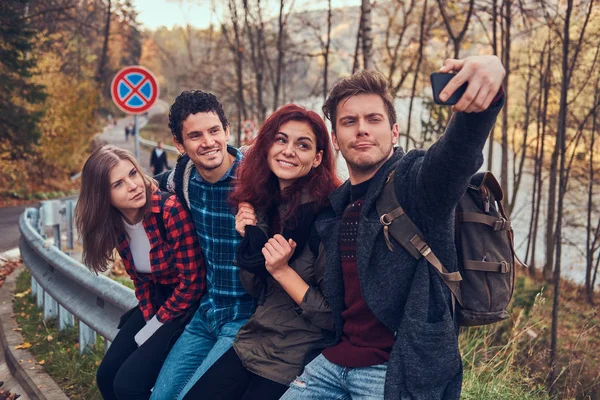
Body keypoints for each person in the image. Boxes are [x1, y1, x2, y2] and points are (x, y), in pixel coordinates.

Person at [280, 55, 506, 400]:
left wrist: (486, 93)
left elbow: (456, 156)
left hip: (396, 370)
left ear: (394, 131)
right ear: (336, 140)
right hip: (331, 363)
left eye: (374, 119)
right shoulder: (337, 205)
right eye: (349, 122)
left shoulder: (415, 185)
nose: (362, 129)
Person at [181, 104, 341, 399]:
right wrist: (250, 237)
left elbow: (334, 317)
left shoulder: (328, 218)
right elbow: (256, 289)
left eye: (302, 145)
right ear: (266, 147)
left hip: (298, 355)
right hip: (254, 341)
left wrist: (282, 271)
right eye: (281, 140)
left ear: (318, 158)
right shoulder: (266, 206)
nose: (288, 151)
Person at [74, 145, 205, 400]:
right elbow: (139, 280)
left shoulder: (169, 210)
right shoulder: (115, 224)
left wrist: (156, 323)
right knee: (106, 376)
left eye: (133, 174)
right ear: (103, 197)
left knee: (129, 385)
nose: (133, 186)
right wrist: (147, 316)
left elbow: (193, 283)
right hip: (157, 300)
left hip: (188, 305)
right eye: (118, 184)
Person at [150, 91, 255, 400]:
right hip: (207, 312)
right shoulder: (183, 179)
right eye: (195, 136)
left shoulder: (255, 176)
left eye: (214, 131)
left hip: (246, 319)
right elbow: (145, 188)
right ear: (180, 145)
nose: (208, 142)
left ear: (226, 131)